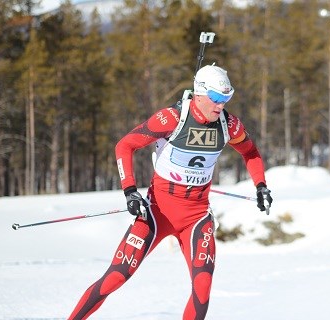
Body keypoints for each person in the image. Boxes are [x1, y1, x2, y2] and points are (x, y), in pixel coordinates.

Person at [68, 64, 273, 320]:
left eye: (227, 97)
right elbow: (125, 145)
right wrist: (130, 191)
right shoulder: (172, 118)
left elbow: (250, 152)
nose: (221, 105)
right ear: (200, 93)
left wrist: (261, 185)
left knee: (202, 289)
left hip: (196, 218)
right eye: (217, 98)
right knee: (116, 277)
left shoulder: (229, 125)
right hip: (157, 213)